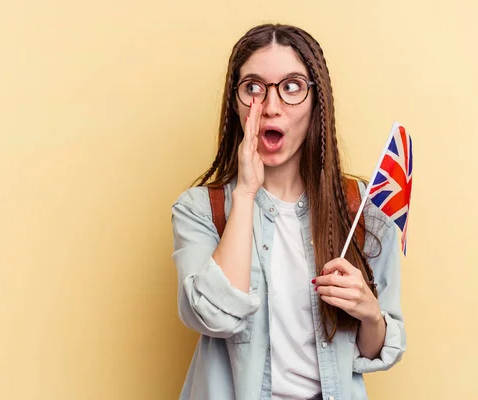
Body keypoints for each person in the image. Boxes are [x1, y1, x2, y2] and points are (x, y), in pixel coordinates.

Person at [171, 23, 405, 400]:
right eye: (253, 88)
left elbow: (374, 350)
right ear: (235, 102)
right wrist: (246, 192)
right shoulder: (201, 210)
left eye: (292, 86)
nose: (271, 107)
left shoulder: (361, 209)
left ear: (316, 101)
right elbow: (213, 317)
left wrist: (370, 314)